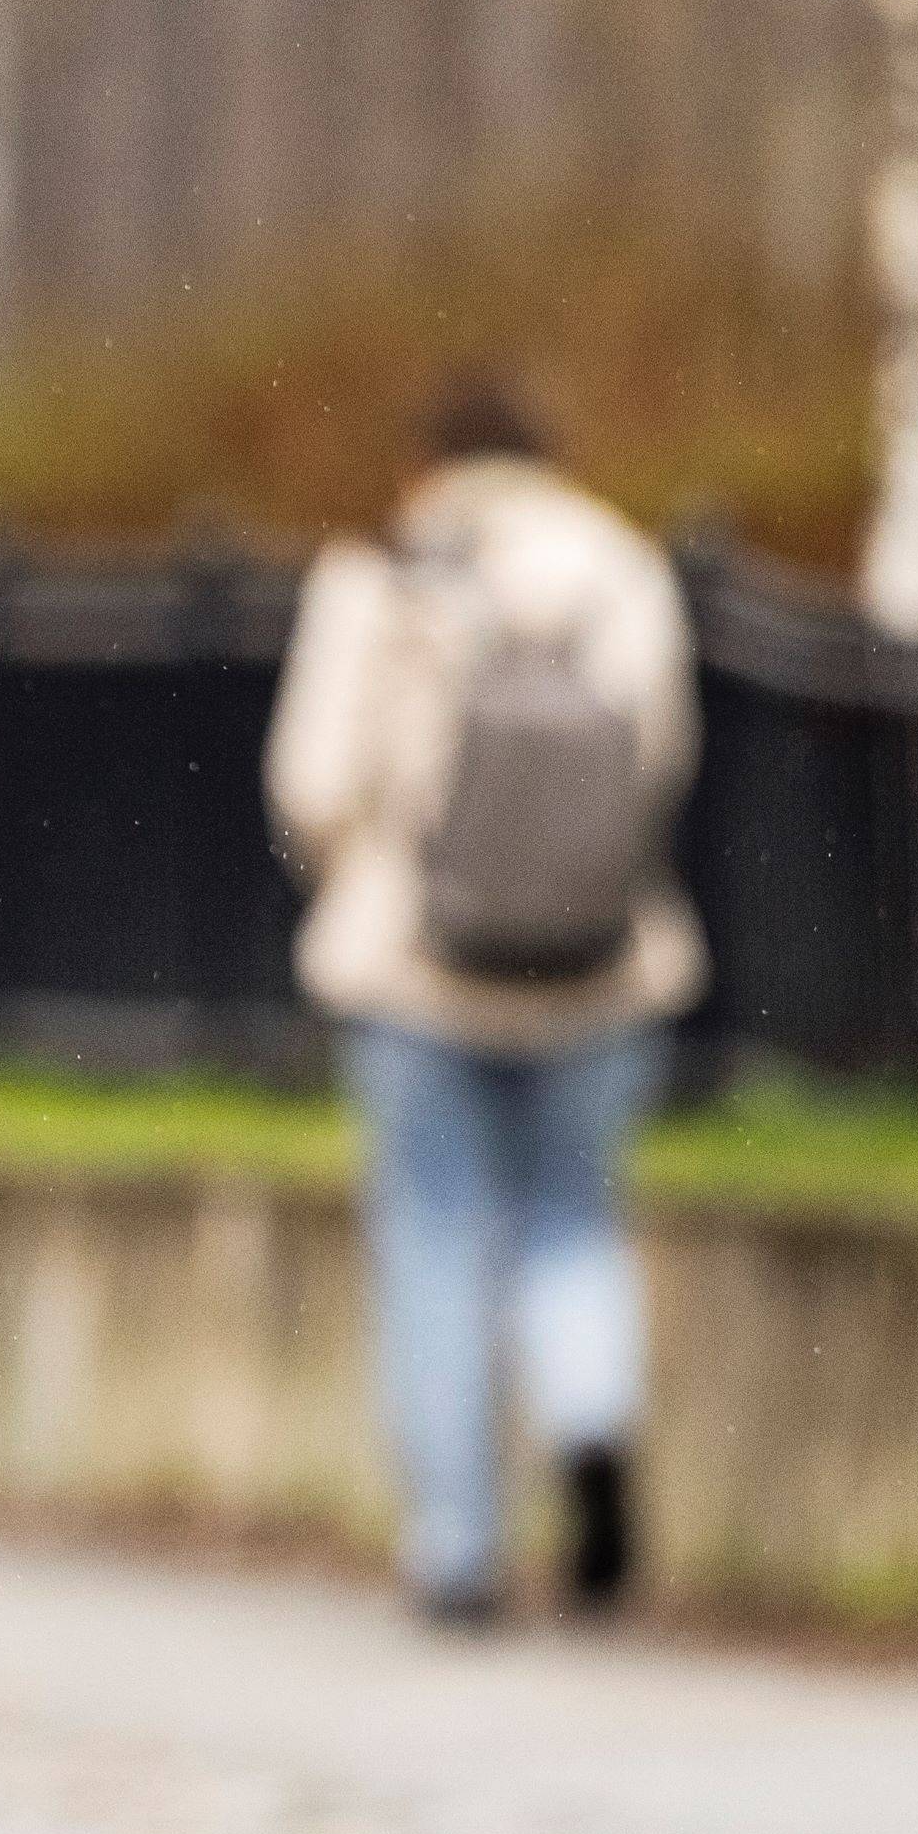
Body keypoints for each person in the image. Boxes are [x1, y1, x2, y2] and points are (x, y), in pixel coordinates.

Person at [264, 374, 705, 1629]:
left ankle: (457, 1549)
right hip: (598, 964)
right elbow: (656, 761)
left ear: (427, 462)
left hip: (416, 968)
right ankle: (591, 1422)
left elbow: (311, 779)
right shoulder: (622, 570)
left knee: (436, 1237)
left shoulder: (384, 574)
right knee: (573, 1220)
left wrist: (371, 868)